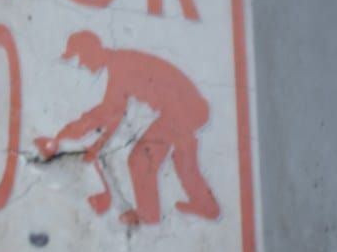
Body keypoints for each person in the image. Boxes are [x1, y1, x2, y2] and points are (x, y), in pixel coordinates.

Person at [36, 30, 220, 226]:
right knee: (182, 155)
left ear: (92, 51)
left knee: (140, 158)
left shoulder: (119, 66)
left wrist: (71, 136)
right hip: (188, 107)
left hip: (183, 108)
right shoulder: (119, 62)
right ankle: (206, 206)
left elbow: (109, 113)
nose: (81, 64)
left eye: (80, 58)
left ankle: (148, 214)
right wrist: (96, 146)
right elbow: (113, 116)